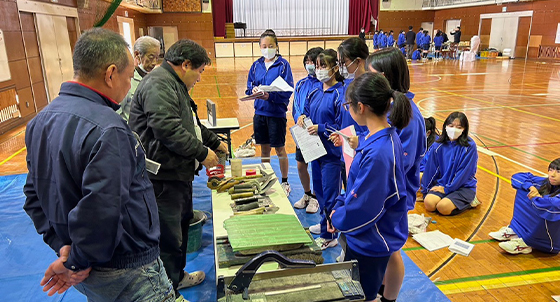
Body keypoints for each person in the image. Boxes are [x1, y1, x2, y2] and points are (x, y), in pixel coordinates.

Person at [23, 28, 174, 302]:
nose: (130, 86)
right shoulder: (109, 129)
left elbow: (34, 196)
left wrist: (65, 249)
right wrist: (77, 261)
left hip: (86, 268)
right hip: (128, 268)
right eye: (129, 78)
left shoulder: (39, 122)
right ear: (110, 73)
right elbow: (102, 209)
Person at [129, 39, 229, 300]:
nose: (199, 78)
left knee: (182, 228)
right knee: (169, 239)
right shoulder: (159, 84)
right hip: (162, 179)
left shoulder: (174, 84)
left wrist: (214, 141)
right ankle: (168, 292)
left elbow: (191, 125)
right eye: (199, 71)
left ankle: (178, 277)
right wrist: (202, 153)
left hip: (178, 175)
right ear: (185, 65)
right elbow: (168, 129)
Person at [328, 72, 411, 302]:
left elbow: (365, 208)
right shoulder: (378, 137)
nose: (348, 110)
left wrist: (337, 217)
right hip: (370, 235)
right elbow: (357, 188)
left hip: (369, 239)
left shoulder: (378, 152)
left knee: (360, 295)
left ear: (361, 107)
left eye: (348, 105)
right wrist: (340, 204)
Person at [366, 48, 427, 302]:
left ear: (384, 77)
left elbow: (400, 163)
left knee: (391, 250)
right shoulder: (388, 106)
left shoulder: (409, 115)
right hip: (381, 190)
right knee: (383, 248)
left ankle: (388, 298)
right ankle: (382, 290)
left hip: (394, 194)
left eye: (370, 76)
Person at [299, 49, 345, 250]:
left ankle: (330, 234)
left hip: (332, 155)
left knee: (330, 193)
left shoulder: (340, 93)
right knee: (319, 190)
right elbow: (307, 112)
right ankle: (323, 223)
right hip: (315, 151)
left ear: (335, 68)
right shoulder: (314, 90)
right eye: (317, 66)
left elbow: (342, 126)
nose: (318, 70)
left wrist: (322, 128)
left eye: (323, 66)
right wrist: (302, 118)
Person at [245, 29, 294, 195]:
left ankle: (285, 182)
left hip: (276, 115)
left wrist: (270, 97)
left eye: (270, 46)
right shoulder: (256, 65)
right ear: (259, 47)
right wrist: (254, 91)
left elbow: (287, 91)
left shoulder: (283, 66)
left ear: (277, 47)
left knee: (280, 149)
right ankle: (265, 178)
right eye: (264, 46)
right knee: (264, 150)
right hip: (260, 114)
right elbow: (248, 87)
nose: (267, 49)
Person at [489, 159, 560, 255]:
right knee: (524, 188)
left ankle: (526, 242)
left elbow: (552, 204)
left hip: (552, 243)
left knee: (545, 207)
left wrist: (536, 198)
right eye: (551, 170)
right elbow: (517, 177)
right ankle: (516, 230)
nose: (552, 174)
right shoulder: (546, 182)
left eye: (558, 172)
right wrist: (530, 187)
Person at [421, 111, 479, 216]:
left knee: (443, 207)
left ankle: (470, 201)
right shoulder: (438, 146)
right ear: (445, 126)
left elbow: (464, 173)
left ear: (464, 129)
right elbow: (431, 170)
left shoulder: (469, 147)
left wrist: (448, 189)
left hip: (462, 187)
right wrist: (426, 189)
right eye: (451, 126)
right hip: (442, 184)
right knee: (429, 204)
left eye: (459, 127)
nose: (454, 130)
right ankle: (447, 198)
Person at [292, 47, 323, 213]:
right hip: (303, 131)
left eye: (313, 62)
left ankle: (316, 198)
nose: (310, 65)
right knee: (300, 165)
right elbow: (296, 105)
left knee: (317, 167)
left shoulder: (324, 84)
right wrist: (298, 116)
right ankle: (306, 193)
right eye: (307, 62)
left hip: (317, 130)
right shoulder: (301, 83)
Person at [117, 36, 161, 122]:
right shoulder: (126, 81)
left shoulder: (154, 78)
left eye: (157, 58)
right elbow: (117, 112)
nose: (154, 63)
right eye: (151, 57)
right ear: (137, 55)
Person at [417, 116, 439, 202]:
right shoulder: (417, 141)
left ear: (428, 133)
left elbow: (429, 168)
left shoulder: (435, 145)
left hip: (432, 175)